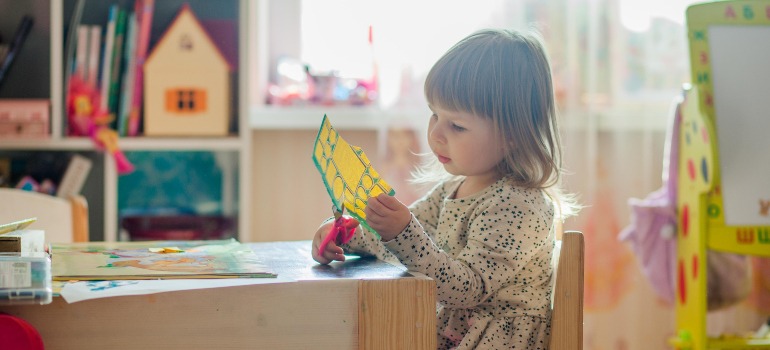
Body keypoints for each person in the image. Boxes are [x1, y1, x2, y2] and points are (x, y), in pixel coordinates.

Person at [312, 28, 578, 349]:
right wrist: (347, 235)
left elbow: (466, 289)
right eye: (434, 115)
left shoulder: (521, 205)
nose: (435, 133)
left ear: (513, 134)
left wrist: (402, 231)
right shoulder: (452, 188)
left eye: (457, 125)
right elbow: (404, 242)